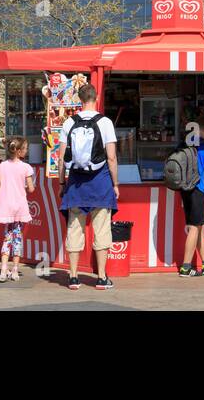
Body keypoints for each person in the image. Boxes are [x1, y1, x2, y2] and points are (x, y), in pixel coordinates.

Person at [57, 84, 118, 291]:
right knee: (102, 229)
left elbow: (61, 158)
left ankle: (73, 277)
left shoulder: (69, 122)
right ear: (97, 97)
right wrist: (115, 184)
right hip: (100, 183)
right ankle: (101, 277)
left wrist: (62, 183)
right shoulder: (105, 122)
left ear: (79, 99)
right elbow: (111, 157)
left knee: (74, 229)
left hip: (75, 184)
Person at [0, 136, 35, 282]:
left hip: (5, 207)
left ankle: (3, 269)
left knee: (7, 237)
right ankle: (15, 270)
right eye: (26, 148)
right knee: (17, 237)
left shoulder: (2, 166)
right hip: (19, 207)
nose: (27, 151)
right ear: (19, 151)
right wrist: (28, 185)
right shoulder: (26, 167)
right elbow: (31, 189)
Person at [179, 117, 204, 277]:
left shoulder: (183, 144)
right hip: (198, 189)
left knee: (199, 226)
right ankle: (186, 267)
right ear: (202, 130)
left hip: (185, 189)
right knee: (194, 228)